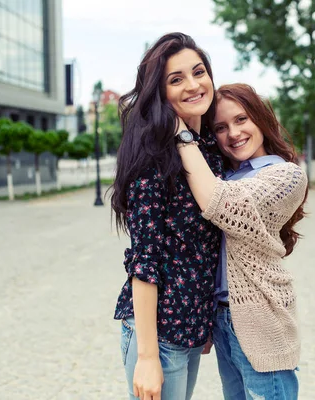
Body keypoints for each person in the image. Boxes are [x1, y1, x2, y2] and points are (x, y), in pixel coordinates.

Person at [176, 83, 309, 399]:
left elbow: (223, 205)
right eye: (220, 127)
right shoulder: (221, 177)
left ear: (261, 120)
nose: (233, 133)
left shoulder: (285, 175)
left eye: (241, 120)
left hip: (262, 319)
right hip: (223, 318)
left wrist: (181, 134)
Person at [111, 33, 223, 400]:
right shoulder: (153, 157)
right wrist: (146, 357)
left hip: (189, 332)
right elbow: (145, 260)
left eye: (199, 72)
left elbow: (205, 248)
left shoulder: (206, 149)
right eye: (176, 79)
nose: (193, 85)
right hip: (157, 336)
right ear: (160, 93)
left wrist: (202, 323)